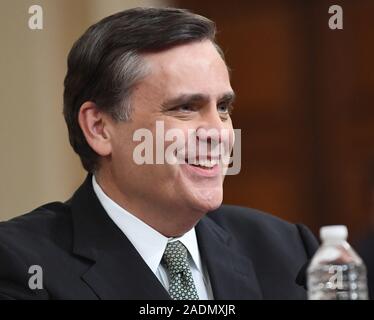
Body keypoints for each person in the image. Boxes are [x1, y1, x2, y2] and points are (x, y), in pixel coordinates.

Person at [0, 7, 318, 300]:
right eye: (185, 108)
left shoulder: (287, 250)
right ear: (99, 127)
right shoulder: (21, 264)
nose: (218, 133)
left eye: (222, 108)